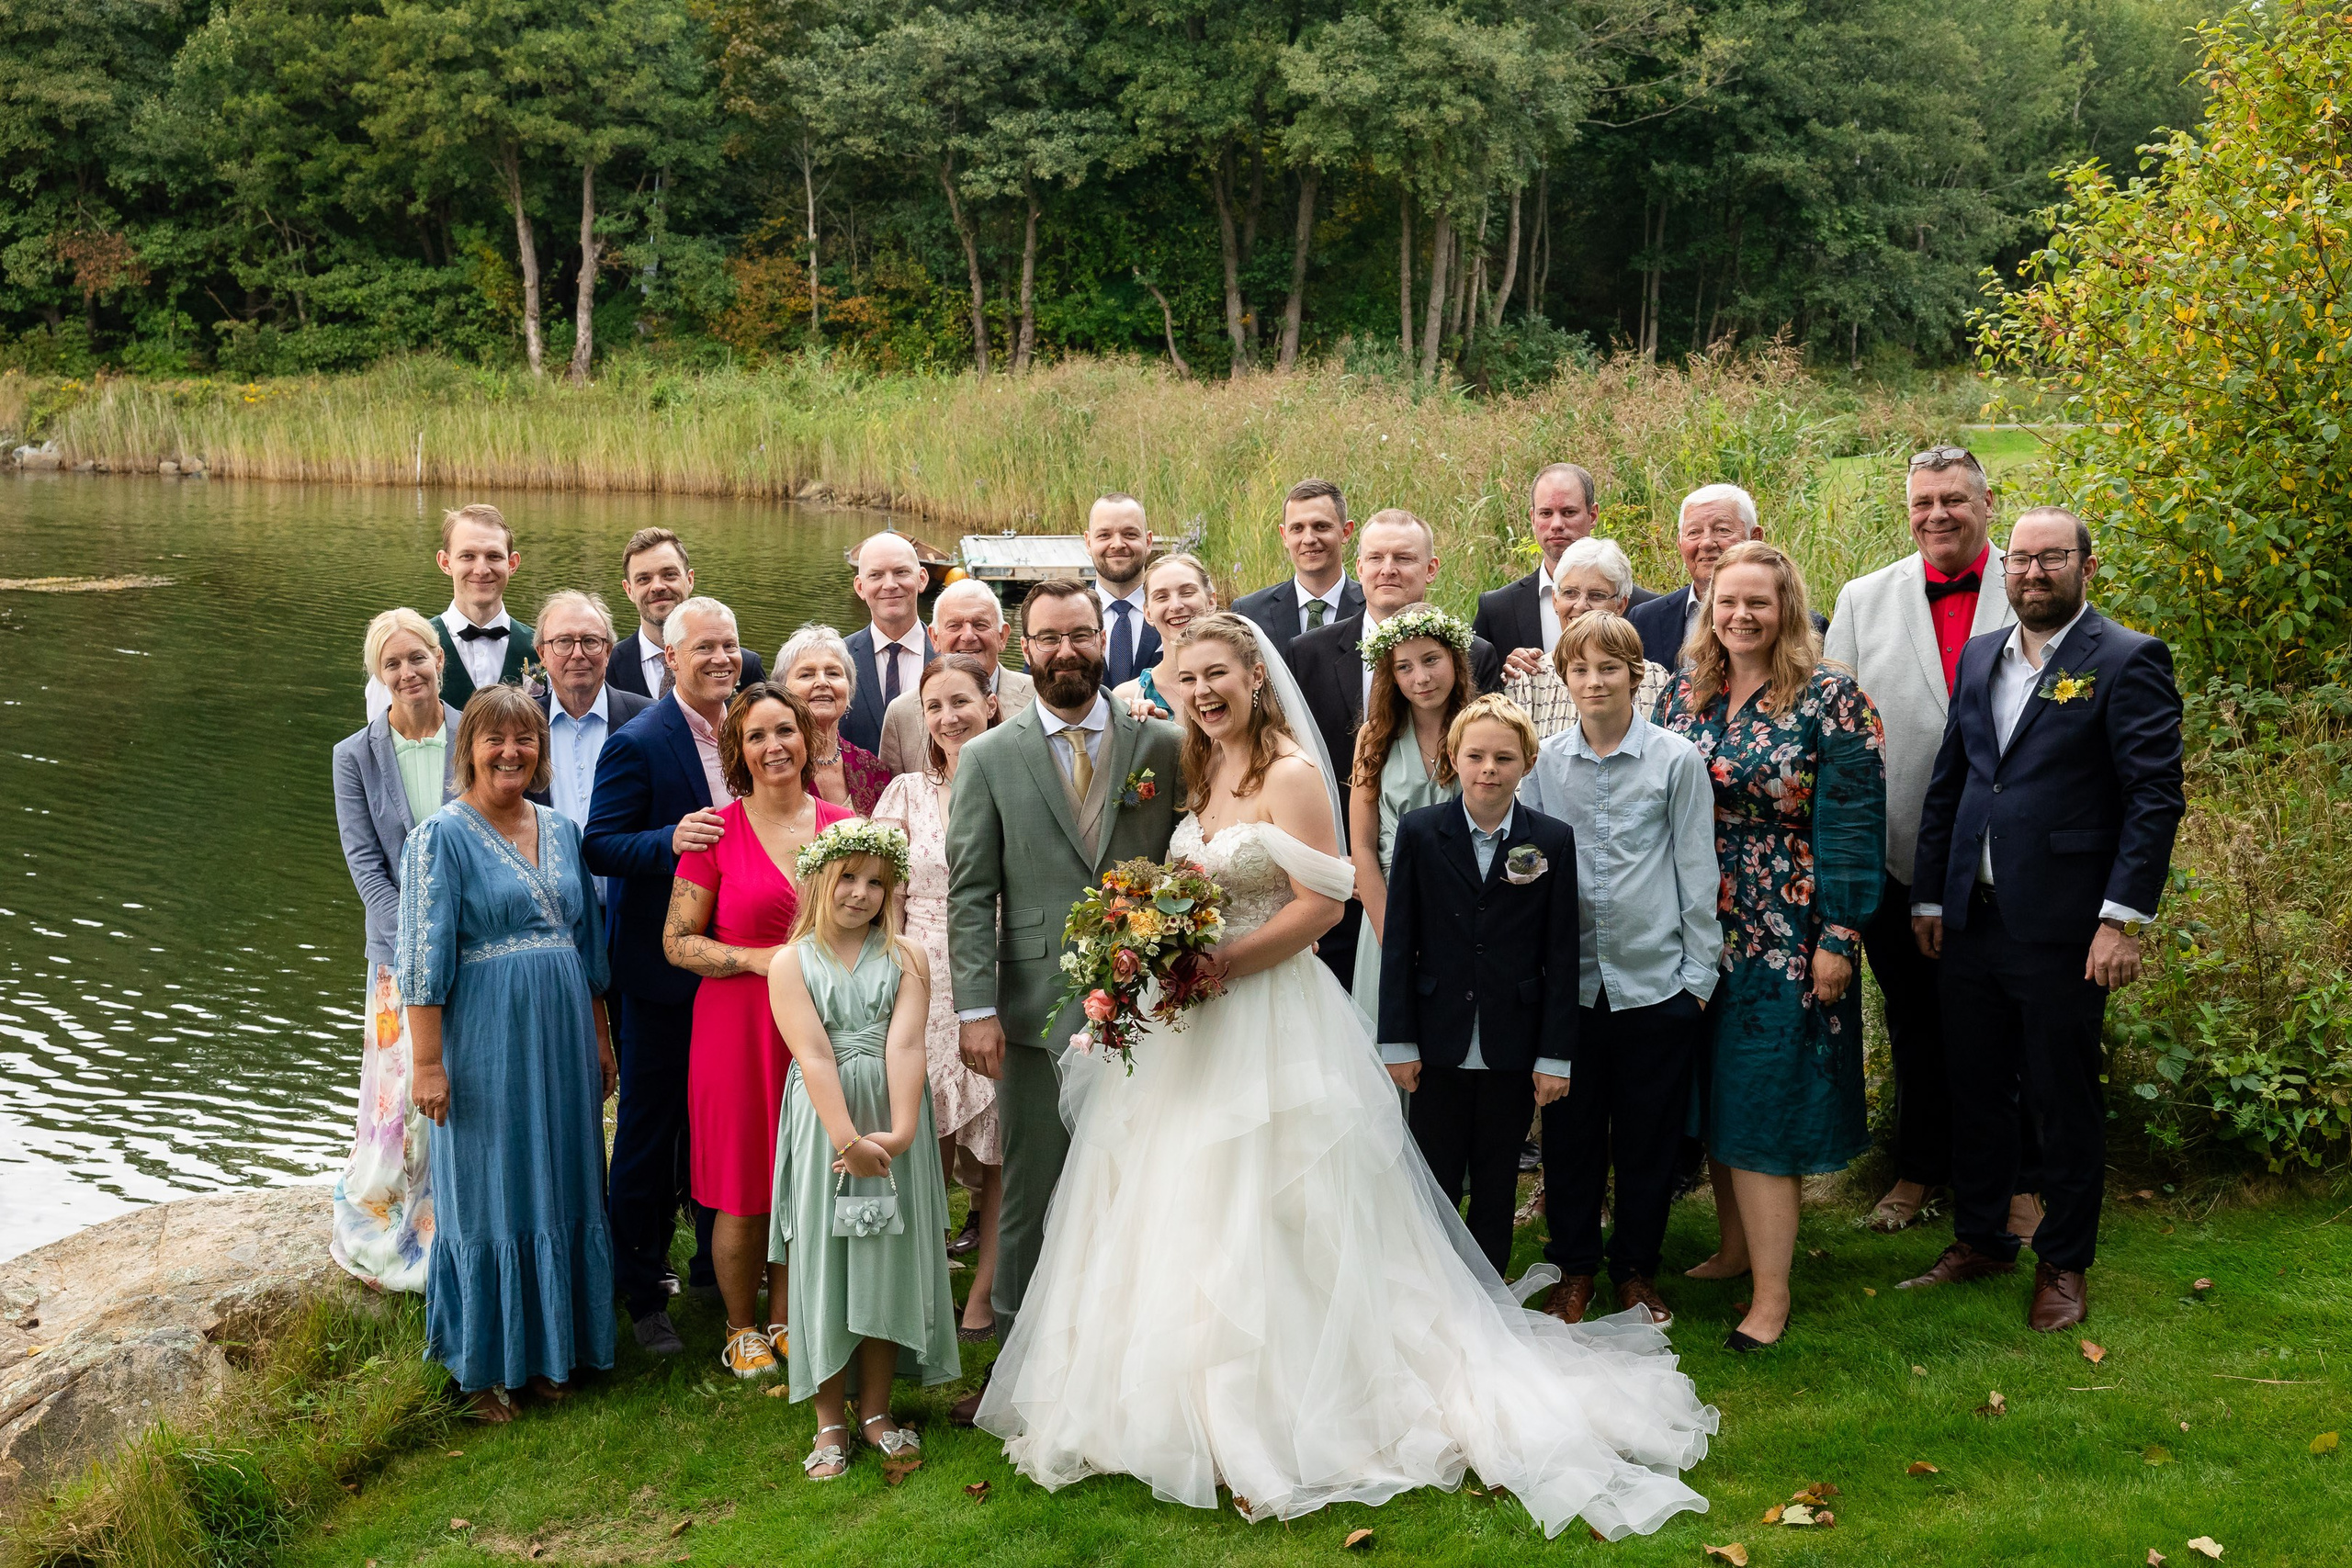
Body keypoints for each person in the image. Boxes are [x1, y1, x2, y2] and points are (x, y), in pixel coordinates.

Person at [977, 612, 1717, 1539]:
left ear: (1254, 672)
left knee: (1277, 1206)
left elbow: (1324, 904)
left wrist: (1222, 966)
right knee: (1183, 1205)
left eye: (1219, 675)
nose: (1203, 694)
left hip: (1270, 1020)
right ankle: (1178, 1406)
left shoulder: (1289, 772)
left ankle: (1287, 1404)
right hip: (1190, 1032)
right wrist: (1153, 956)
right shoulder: (1196, 769)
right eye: (1187, 679)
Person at [1899, 507, 2185, 1334]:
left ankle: (2064, 1260)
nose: (2033, 572)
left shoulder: (2127, 660)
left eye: (2051, 557)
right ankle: (1982, 1237)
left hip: (2065, 926)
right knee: (1975, 1089)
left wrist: (2121, 919)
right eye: (2020, 560)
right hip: (1972, 921)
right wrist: (1929, 894)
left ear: (2085, 567)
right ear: (2005, 570)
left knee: (2062, 1098)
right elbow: (1954, 781)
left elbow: (2153, 797)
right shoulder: (1983, 655)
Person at [944, 580, 1184, 1421]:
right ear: (1022, 644)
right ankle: (1015, 1360)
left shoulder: (1160, 746)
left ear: (1104, 639)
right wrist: (975, 1008)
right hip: (1035, 1009)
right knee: (1033, 1188)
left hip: (1150, 1003)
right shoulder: (989, 756)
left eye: (1081, 633)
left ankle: (1134, 1355)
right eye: (1049, 637)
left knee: (1144, 1182)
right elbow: (971, 892)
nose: (1068, 650)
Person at [1657, 540, 1885, 1352]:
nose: (1741, 615)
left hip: (1789, 930)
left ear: (1787, 608)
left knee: (1761, 1103)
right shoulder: (1687, 695)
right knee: (1718, 1093)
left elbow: (1855, 826)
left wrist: (1840, 934)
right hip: (1699, 924)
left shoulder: (1832, 698)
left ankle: (1772, 1297)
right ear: (1709, 608)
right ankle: (1732, 1247)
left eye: (1758, 601)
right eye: (1727, 602)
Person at [1824, 447, 2028, 1237]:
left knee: (2009, 1027)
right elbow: (1838, 733)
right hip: (1900, 849)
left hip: (2004, 862)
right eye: (1922, 502)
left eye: (1953, 499)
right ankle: (1915, 1168)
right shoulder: (1864, 597)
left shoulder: (2031, 583)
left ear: (1987, 502)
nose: (1937, 514)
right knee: (1913, 1021)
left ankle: (2020, 1182)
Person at [398, 684, 617, 1421]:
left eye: (525, 739)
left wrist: (600, 1034)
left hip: (560, 1031)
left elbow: (587, 944)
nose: (511, 752)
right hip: (485, 1033)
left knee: (563, 1172)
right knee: (491, 1183)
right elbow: (424, 961)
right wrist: (428, 1064)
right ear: (469, 750)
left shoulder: (560, 829)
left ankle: (559, 1349)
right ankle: (486, 1366)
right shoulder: (441, 836)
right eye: (494, 739)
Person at [1517, 613, 1722, 1329]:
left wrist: (1697, 979)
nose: (1594, 681)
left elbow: (1697, 871)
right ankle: (1575, 1268)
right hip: (1570, 987)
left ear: (1636, 675)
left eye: (1610, 668)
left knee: (1648, 1139)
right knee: (1569, 1138)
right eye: (1581, 669)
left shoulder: (1675, 761)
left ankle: (1635, 1268)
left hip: (1655, 982)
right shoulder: (1543, 764)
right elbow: (1531, 873)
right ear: (1564, 679)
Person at [662, 684, 857, 1378]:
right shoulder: (717, 831)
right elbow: (677, 941)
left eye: (785, 730)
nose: (774, 745)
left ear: (806, 737)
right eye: (756, 736)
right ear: (738, 752)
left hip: (825, 1023)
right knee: (745, 1182)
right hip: (737, 1025)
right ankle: (741, 1326)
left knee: (805, 1173)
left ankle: (788, 1314)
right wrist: (758, 959)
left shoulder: (842, 825)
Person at [767, 820, 959, 1476]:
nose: (860, 893)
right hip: (827, 1122)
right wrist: (847, 1138)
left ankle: (876, 1409)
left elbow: (906, 1044)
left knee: (885, 1256)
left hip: (892, 1110)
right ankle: (828, 1420)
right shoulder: (789, 962)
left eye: (877, 883)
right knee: (827, 1260)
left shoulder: (908, 956)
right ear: (819, 877)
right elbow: (814, 1053)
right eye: (847, 876)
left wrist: (900, 1134)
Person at [583, 595, 745, 1355]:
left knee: (726, 1119)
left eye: (731, 646)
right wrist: (669, 838)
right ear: (671, 658)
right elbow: (601, 844)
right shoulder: (640, 740)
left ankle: (720, 1264)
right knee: (652, 1128)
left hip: (737, 965)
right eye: (704, 647)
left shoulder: (748, 728)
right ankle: (641, 1287)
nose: (721, 658)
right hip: (660, 972)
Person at [1376, 694, 1577, 1274]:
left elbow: (1561, 954)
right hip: (1437, 1041)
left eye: (1504, 758)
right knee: (1437, 1176)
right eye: (1476, 756)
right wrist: (1398, 1042)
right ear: (1454, 760)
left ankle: (1488, 1291)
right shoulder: (1421, 832)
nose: (1489, 769)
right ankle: (1436, 1284)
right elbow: (1400, 944)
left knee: (1496, 1176)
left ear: (1527, 763)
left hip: (1512, 1045)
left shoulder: (1552, 840)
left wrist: (1555, 1055)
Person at [1289, 509, 1503, 987]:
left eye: (1404, 558)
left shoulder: (1478, 655)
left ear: (1430, 568)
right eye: (1376, 558)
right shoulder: (1308, 653)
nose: (1388, 569)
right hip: (1353, 889)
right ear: (1358, 566)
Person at [327, 608, 462, 1292]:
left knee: (461, 1086)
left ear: (440, 658)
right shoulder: (354, 755)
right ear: (378, 676)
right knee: (399, 1095)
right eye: (392, 663)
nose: (407, 672)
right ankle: (395, 1229)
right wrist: (414, 945)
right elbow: (364, 861)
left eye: (418, 657)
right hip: (395, 958)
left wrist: (456, 934)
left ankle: (458, 1221)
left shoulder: (477, 733)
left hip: (474, 947)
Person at [873, 656, 1005, 1337]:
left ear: (991, 701)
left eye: (962, 701)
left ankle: (984, 1295)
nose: (949, 717)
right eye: (934, 706)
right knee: (922, 1139)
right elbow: (882, 897)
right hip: (919, 972)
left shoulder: (1020, 776)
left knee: (998, 1148)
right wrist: (890, 983)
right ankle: (919, 1288)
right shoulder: (903, 792)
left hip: (1000, 970)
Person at [1346, 603, 1473, 1027]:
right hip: (1391, 906)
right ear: (1390, 674)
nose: (1420, 678)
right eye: (1404, 667)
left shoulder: (1479, 729)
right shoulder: (1374, 737)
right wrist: (1393, 938)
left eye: (1432, 660)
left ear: (1454, 659)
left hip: (1464, 908)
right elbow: (1362, 846)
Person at [1629, 485, 1829, 674]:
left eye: (1722, 530)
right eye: (1694, 532)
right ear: (1680, 543)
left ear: (1755, 537)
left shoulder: (1809, 626)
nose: (1706, 543)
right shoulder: (1645, 619)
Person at [1478, 464, 1658, 671]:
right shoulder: (1497, 610)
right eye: (1546, 513)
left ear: (1593, 515)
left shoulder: (1650, 610)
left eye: (1569, 512)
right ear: (1533, 519)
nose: (1556, 524)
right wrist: (1507, 676)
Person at [364, 503, 532, 720]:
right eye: (468, 556)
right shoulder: (404, 648)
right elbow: (380, 744)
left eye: (494, 556)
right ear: (445, 562)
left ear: (512, 563)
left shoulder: (542, 648)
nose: (481, 570)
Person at [1504, 537, 1672, 739]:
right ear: (1555, 600)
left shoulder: (1654, 679)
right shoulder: (1528, 679)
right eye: (1570, 593)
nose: (1581, 605)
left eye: (1596, 595)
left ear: (1620, 605)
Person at [876, 580, 1035, 775]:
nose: (968, 636)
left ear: (1002, 636)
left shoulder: (1038, 699)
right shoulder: (901, 713)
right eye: (954, 626)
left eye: (980, 624)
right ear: (934, 638)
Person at [528, 591, 651, 840]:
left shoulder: (649, 719)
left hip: (623, 876)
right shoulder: (522, 724)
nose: (577, 654)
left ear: (608, 651)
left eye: (590, 641)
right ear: (542, 654)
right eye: (563, 641)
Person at [608, 527, 767, 698]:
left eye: (669, 574)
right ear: (629, 590)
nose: (657, 587)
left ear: (689, 580)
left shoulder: (743, 666)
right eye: (644, 579)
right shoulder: (607, 666)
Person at [1231, 477, 1364, 661]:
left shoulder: (1374, 607)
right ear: (1284, 535)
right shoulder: (1249, 613)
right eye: (1297, 528)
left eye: (1321, 526)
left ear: (1346, 531)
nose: (1309, 539)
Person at [777, 624, 893, 815]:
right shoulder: (773, 761)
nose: (822, 682)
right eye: (806, 674)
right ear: (782, 691)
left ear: (849, 690)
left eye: (833, 673)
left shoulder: (873, 769)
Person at [841, 533, 934, 756]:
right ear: (860, 587)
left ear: (922, 579)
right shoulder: (838, 659)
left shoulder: (949, 654)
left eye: (901, 572)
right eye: (876, 575)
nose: (890, 584)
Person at [1111, 552, 1218, 717]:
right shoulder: (1127, 696)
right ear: (1147, 613)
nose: (1175, 606)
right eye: (1162, 597)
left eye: (1187, 593)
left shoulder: (1236, 684)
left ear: (1211, 602)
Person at [1086, 493, 1159, 690]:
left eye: (1130, 534)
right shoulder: (1065, 616)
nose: (1117, 544)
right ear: (1088, 542)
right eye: (1104, 535)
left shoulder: (1177, 612)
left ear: (1148, 541)